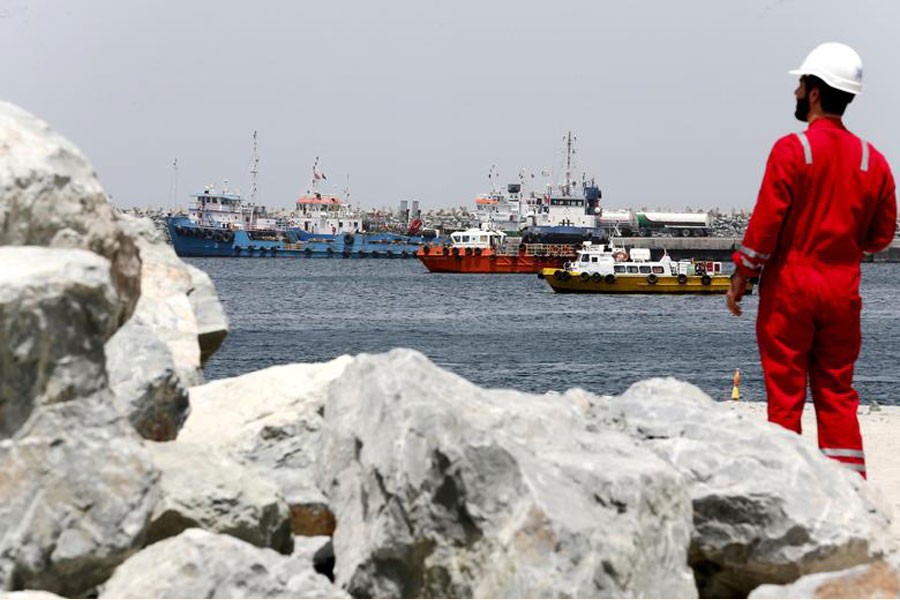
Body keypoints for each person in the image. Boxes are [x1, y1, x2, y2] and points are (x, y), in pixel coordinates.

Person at [727, 42, 897, 479]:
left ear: (815, 92)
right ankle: (850, 491)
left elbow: (763, 229)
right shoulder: (872, 161)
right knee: (837, 394)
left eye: (800, 84)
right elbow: (881, 237)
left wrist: (742, 276)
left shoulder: (792, 152)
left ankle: (786, 488)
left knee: (785, 396)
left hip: (790, 291)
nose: (796, 93)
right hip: (843, 294)